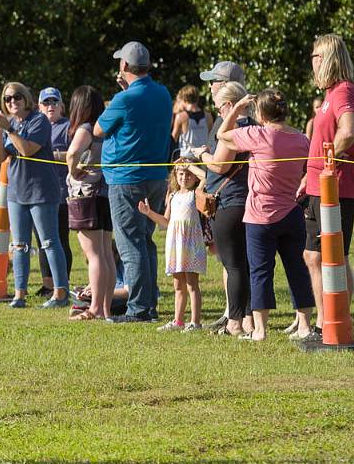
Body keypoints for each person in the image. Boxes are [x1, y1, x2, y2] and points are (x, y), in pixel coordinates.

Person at [220, 89, 315, 341]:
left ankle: (260, 331)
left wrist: (236, 110)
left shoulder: (257, 135)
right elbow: (308, 168)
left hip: (260, 217)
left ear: (260, 114)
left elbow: (222, 135)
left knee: (260, 272)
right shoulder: (302, 139)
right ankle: (304, 326)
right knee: (298, 269)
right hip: (292, 214)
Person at [94, 41, 173, 323]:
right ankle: (148, 304)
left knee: (130, 244)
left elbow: (99, 129)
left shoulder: (124, 99)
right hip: (155, 177)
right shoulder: (163, 94)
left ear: (124, 66)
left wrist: (121, 94)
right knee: (146, 241)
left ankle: (139, 308)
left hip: (126, 178)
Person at [301, 34, 354, 331]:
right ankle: (325, 320)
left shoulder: (343, 91)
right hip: (318, 186)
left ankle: (333, 322)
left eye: (315, 57)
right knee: (313, 256)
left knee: (331, 256)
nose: (312, 63)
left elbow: (348, 130)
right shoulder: (330, 93)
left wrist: (329, 158)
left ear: (328, 59)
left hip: (335, 188)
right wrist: (307, 175)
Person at [0, 82, 69, 308]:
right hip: (16, 192)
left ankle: (60, 293)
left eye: (16, 97)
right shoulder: (10, 123)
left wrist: (10, 130)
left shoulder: (38, 120)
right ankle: (19, 294)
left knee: (49, 242)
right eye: (7, 99)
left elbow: (27, 150)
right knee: (19, 245)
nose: (11, 102)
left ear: (25, 99)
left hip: (41, 191)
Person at [191, 81, 253, 337]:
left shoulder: (234, 127)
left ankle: (235, 323)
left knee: (233, 265)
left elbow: (220, 166)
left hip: (229, 202)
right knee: (246, 265)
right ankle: (249, 320)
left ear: (230, 106)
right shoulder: (254, 125)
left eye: (218, 109)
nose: (217, 113)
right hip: (247, 199)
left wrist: (202, 154)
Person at [137, 159, 207, 331]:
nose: (184, 177)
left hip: (190, 243)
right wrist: (149, 212)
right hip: (175, 243)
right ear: (175, 175)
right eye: (181, 173)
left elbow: (205, 176)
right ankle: (178, 321)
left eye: (188, 174)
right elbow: (165, 222)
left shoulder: (196, 193)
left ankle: (195, 322)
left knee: (191, 283)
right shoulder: (173, 195)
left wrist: (190, 165)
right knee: (178, 284)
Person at [64, 86, 114, 321]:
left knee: (93, 254)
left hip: (86, 194)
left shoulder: (85, 128)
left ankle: (94, 308)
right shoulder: (104, 130)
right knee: (104, 253)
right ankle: (104, 307)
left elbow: (73, 153)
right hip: (104, 191)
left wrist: (73, 170)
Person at [306, 94, 354, 235]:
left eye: (320, 106)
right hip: (321, 172)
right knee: (314, 253)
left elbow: (348, 132)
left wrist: (333, 153)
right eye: (316, 107)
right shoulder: (312, 122)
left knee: (334, 246)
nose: (319, 109)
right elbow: (310, 143)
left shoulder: (342, 93)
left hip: (339, 172)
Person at [36, 87, 72, 294]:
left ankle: (62, 282)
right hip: (36, 192)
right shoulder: (33, 125)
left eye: (54, 103)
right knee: (41, 240)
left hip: (61, 192)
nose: (50, 106)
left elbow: (78, 154)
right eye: (46, 103)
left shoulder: (67, 127)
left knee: (59, 238)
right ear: (39, 106)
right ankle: (47, 284)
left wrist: (54, 155)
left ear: (61, 105)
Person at [172, 85, 210, 156]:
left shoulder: (180, 116)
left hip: (186, 159)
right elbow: (211, 137)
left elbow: (173, 139)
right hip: (205, 156)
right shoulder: (208, 116)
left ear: (184, 99)